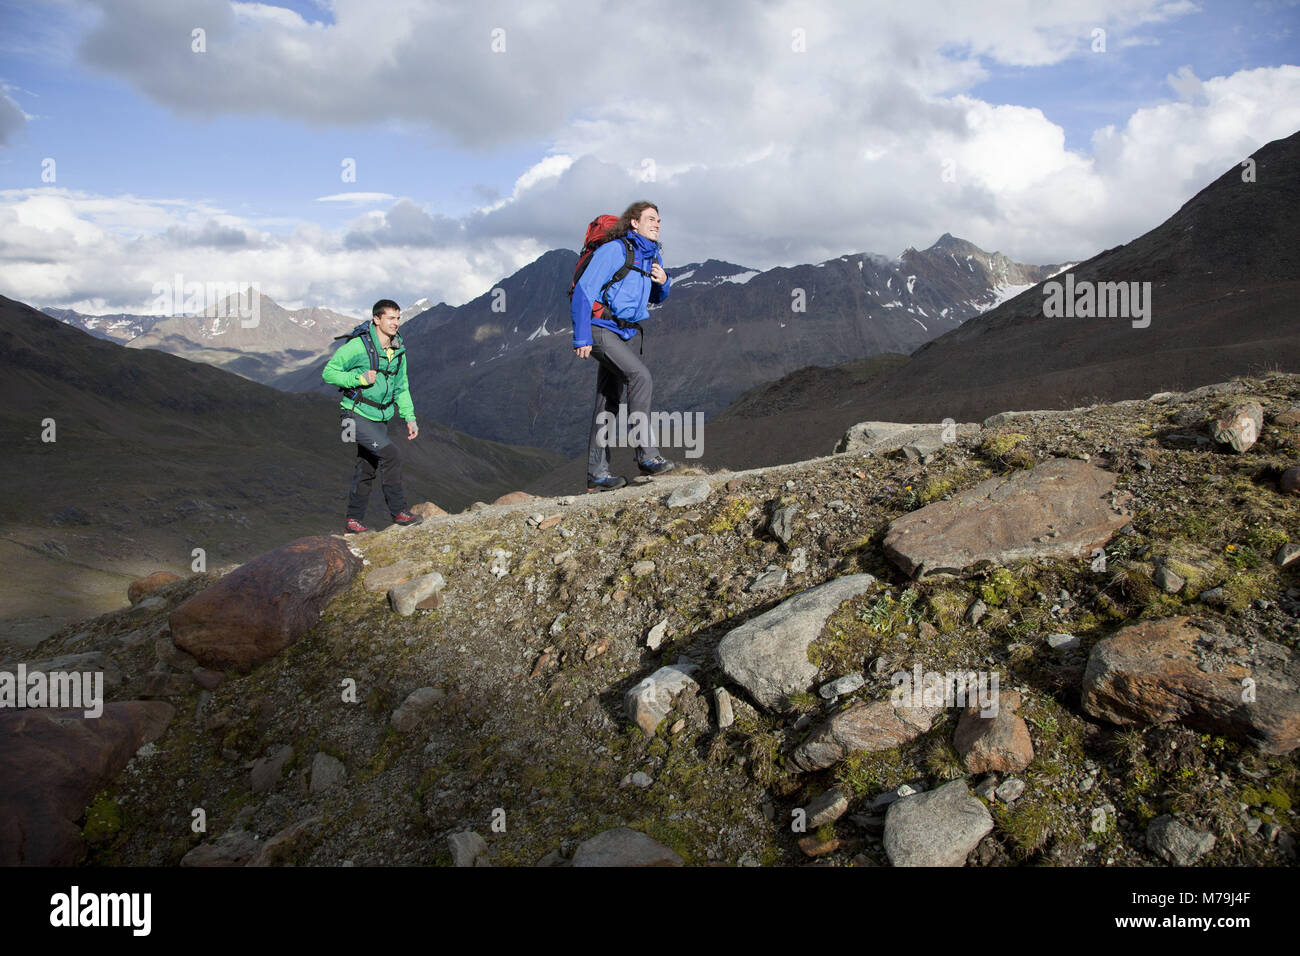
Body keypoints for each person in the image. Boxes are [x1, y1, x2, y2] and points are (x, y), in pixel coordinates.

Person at [571, 201, 676, 492]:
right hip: (598, 328)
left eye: (659, 220)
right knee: (640, 376)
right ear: (633, 222)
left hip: (619, 333)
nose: (657, 224)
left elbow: (657, 297)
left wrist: (664, 282)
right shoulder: (615, 250)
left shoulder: (650, 256)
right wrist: (581, 337)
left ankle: (597, 475)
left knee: (607, 402)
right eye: (651, 219)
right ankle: (647, 456)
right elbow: (584, 290)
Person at [322, 299, 424, 533]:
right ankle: (399, 512)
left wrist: (409, 417)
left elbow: (402, 386)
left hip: (380, 417)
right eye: (390, 318)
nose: (396, 323)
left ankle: (353, 521)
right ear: (376, 319)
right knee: (391, 455)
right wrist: (358, 379)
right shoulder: (359, 347)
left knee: (367, 466)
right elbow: (329, 372)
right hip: (354, 414)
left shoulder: (398, 349)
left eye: (398, 318)